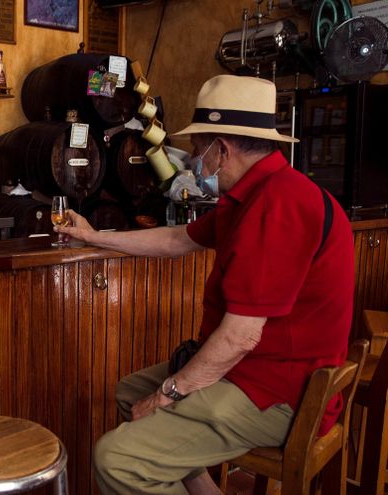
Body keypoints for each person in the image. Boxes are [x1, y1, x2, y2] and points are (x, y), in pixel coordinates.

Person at [55, 75, 354, 495]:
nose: (195, 160)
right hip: (260, 373)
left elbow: (240, 337)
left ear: (223, 149)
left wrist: (168, 394)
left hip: (279, 394)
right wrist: (94, 237)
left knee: (117, 460)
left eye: (199, 149)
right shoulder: (255, 194)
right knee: (129, 392)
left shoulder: (278, 204)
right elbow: (177, 239)